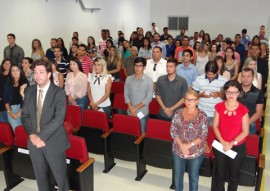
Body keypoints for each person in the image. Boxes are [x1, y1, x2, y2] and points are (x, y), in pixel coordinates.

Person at [22, 59, 70, 191]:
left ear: (49, 74)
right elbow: (25, 116)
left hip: (53, 142)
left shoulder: (59, 92)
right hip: (33, 142)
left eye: (41, 72)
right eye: (35, 72)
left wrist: (40, 137)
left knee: (60, 179)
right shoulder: (29, 91)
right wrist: (32, 135)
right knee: (41, 178)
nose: (37, 75)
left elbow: (59, 119)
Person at [212, 80, 249, 191]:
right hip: (220, 145)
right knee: (220, 173)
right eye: (228, 92)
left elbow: (245, 131)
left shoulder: (243, 110)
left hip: (237, 147)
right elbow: (215, 126)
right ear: (225, 92)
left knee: (233, 175)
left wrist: (231, 143)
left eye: (234, 92)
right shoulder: (219, 106)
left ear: (239, 93)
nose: (231, 95)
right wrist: (223, 142)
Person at [171, 89, 208, 191]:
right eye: (187, 99)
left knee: (193, 177)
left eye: (192, 100)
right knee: (178, 176)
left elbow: (203, 135)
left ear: (197, 101)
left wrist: (188, 145)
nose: (188, 102)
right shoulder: (178, 113)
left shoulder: (202, 116)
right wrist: (182, 146)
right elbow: (173, 131)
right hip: (178, 150)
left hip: (195, 151)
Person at [192, 61, 228, 125]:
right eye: (208, 74)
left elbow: (227, 98)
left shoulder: (224, 81)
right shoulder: (199, 79)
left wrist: (219, 94)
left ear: (217, 71)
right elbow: (192, 95)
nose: (210, 76)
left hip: (216, 114)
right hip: (201, 112)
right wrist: (201, 95)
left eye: (213, 74)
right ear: (205, 72)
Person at [124, 57, 153, 133]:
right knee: (130, 132)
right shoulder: (128, 79)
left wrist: (135, 108)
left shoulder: (149, 80)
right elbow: (126, 94)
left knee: (143, 132)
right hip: (130, 111)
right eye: (136, 66)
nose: (137, 68)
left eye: (140, 66)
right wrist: (131, 108)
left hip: (142, 112)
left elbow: (148, 98)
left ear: (144, 67)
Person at [4, 64, 28, 131]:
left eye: (17, 70)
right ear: (10, 72)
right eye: (13, 70)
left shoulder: (25, 83)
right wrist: (10, 112)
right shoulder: (8, 83)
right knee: (18, 132)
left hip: (23, 109)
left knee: (26, 133)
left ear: (20, 71)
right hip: (11, 109)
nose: (15, 72)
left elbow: (27, 100)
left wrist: (19, 112)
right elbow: (5, 99)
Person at [239, 68, 264, 134]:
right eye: (243, 76)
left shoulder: (258, 93)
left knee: (248, 143)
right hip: (234, 122)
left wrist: (246, 123)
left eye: (248, 76)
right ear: (241, 77)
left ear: (252, 78)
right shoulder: (235, 90)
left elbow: (258, 112)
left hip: (250, 123)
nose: (245, 79)